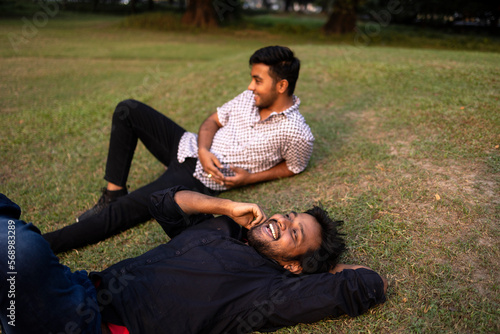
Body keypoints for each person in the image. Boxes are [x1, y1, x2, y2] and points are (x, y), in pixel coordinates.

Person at [43, 45, 315, 254]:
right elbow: (212, 121)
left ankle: (40, 245)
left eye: (257, 80)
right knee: (129, 109)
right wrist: (204, 148)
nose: (249, 86)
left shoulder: (297, 132)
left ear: (281, 86)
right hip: (188, 145)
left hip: (196, 179)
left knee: (122, 214)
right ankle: (113, 193)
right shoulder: (248, 98)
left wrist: (248, 179)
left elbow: (294, 167)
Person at [0, 188, 387, 334]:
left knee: (21, 248)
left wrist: (318, 273)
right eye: (287, 216)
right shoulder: (221, 228)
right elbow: (165, 203)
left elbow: (366, 285)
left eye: (294, 234)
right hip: (77, 288)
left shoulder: (270, 292)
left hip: (90, 325)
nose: (282, 222)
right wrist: (226, 205)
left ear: (293, 264)